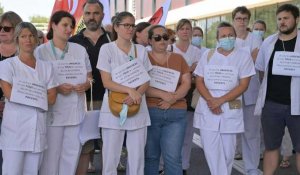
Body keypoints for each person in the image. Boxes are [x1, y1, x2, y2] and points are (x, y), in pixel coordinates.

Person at [194, 22, 255, 175]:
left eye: (230, 35)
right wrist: (211, 101)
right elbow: (199, 80)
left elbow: (243, 85)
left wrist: (219, 101)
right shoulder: (207, 55)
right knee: (211, 151)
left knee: (228, 153)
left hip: (229, 108)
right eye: (223, 36)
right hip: (208, 109)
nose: (227, 38)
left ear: (235, 37)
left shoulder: (243, 56)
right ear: (217, 38)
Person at [35, 11, 92, 175]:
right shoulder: (41, 52)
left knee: (71, 154)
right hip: (53, 111)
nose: (69, 29)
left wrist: (86, 85)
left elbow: (90, 78)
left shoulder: (79, 50)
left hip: (75, 110)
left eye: (71, 26)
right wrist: (57, 88)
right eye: (64, 25)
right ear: (53, 25)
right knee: (51, 156)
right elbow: (37, 82)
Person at [96, 11, 152, 175]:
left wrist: (137, 94)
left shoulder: (140, 50)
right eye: (126, 25)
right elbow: (106, 81)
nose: (130, 29)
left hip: (137, 105)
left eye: (132, 25)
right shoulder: (107, 49)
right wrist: (130, 91)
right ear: (116, 27)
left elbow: (146, 79)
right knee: (110, 157)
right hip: (114, 106)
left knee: (137, 157)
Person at [0, 22, 57, 175]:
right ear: (17, 39)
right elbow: (10, 94)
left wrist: (24, 92)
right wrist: (39, 95)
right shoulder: (7, 65)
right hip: (15, 132)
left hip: (37, 131)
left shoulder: (46, 67)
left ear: (37, 39)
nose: (28, 40)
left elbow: (52, 98)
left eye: (31, 36)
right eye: (23, 36)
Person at [254, 4, 300, 175]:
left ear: (296, 19)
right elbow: (261, 70)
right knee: (271, 147)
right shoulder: (268, 42)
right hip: (271, 105)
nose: (282, 22)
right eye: (279, 19)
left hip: (298, 105)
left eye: (286, 18)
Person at [68, 0, 110, 174]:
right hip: (82, 101)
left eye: (96, 13)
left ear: (102, 15)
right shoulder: (73, 41)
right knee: (85, 145)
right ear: (83, 16)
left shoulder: (112, 38)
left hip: (110, 99)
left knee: (109, 144)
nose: (91, 17)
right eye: (88, 13)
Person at [144, 25, 191, 175]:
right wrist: (163, 95)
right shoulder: (143, 59)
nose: (162, 40)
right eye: (157, 37)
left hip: (176, 114)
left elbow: (187, 82)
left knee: (173, 158)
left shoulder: (178, 58)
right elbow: (139, 86)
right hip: (150, 113)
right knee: (151, 157)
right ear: (150, 40)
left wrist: (173, 99)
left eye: (165, 37)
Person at [232, 6, 262, 175]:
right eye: (238, 18)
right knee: (231, 130)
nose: (242, 22)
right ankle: (226, 164)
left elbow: (256, 63)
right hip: (233, 94)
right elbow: (227, 65)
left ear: (248, 20)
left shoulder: (256, 39)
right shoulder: (228, 39)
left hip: (251, 93)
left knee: (251, 132)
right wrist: (247, 59)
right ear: (233, 20)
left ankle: (251, 168)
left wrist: (239, 62)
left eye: (244, 19)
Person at [169, 19, 201, 174]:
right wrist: (189, 69)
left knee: (187, 134)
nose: (185, 31)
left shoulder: (197, 51)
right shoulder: (170, 49)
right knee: (171, 134)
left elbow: (199, 75)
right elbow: (170, 73)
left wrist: (186, 73)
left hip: (190, 96)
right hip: (172, 94)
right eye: (182, 29)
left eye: (188, 28)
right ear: (177, 32)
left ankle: (184, 167)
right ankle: (168, 166)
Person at [0, 11, 22, 175]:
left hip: (18, 110)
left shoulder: (27, 53)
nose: (1, 31)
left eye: (6, 28)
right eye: (0, 27)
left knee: (13, 157)